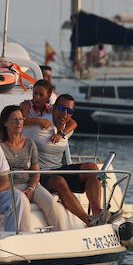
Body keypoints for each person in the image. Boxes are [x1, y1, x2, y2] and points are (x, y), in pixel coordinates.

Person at [31, 95, 101, 225]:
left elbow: (73, 123)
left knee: (92, 167)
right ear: (53, 108)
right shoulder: (40, 125)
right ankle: (88, 221)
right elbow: (21, 122)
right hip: (40, 173)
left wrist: (61, 133)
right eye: (62, 108)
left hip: (58, 169)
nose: (65, 113)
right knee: (59, 181)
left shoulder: (67, 129)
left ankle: (98, 213)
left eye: (69, 111)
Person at [0, 105, 69, 232]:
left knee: (52, 204)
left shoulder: (30, 143)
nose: (19, 122)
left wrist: (31, 188)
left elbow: (36, 170)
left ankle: (61, 235)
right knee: (23, 204)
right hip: (9, 186)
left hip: (31, 184)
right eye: (14, 119)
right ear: (5, 123)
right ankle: (26, 237)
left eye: (21, 119)